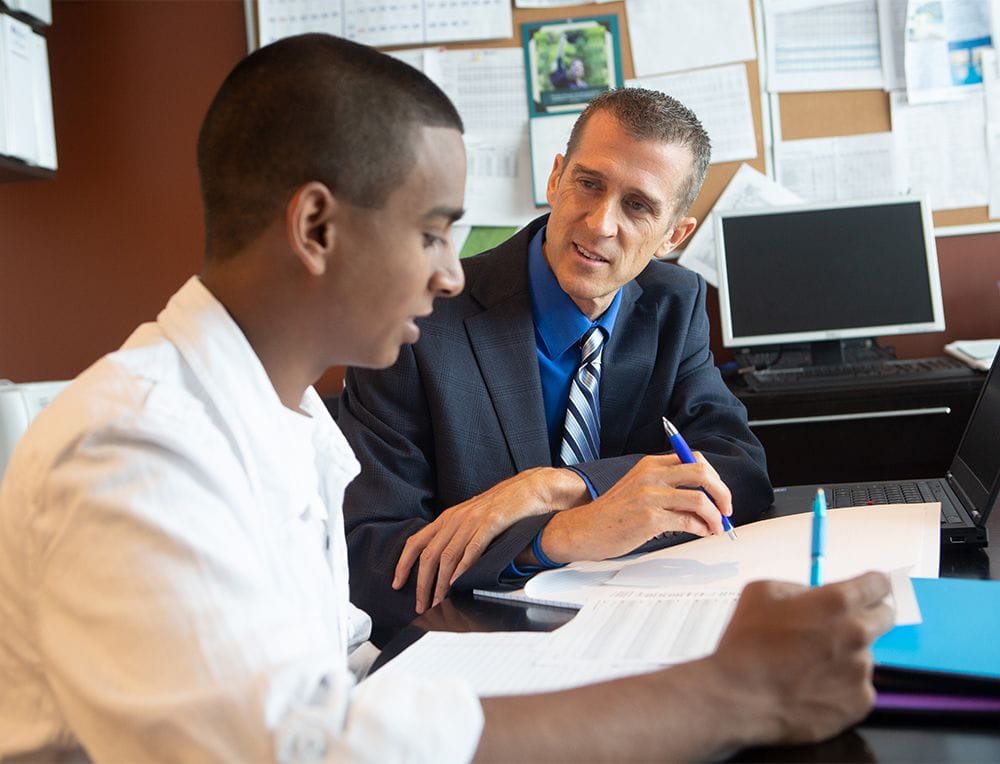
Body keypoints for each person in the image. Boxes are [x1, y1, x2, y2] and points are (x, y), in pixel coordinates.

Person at [0, 33, 894, 763]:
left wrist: (560, 499)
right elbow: (292, 749)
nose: (452, 275)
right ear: (316, 227)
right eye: (433, 233)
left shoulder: (290, 421)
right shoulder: (140, 449)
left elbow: (337, 663)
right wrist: (727, 692)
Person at [338, 86, 773, 640]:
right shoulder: (417, 321)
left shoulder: (674, 304)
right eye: (589, 184)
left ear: (673, 235)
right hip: (483, 645)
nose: (599, 224)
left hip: (638, 629)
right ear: (556, 178)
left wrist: (555, 487)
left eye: (638, 206)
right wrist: (555, 536)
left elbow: (738, 471)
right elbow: (369, 559)